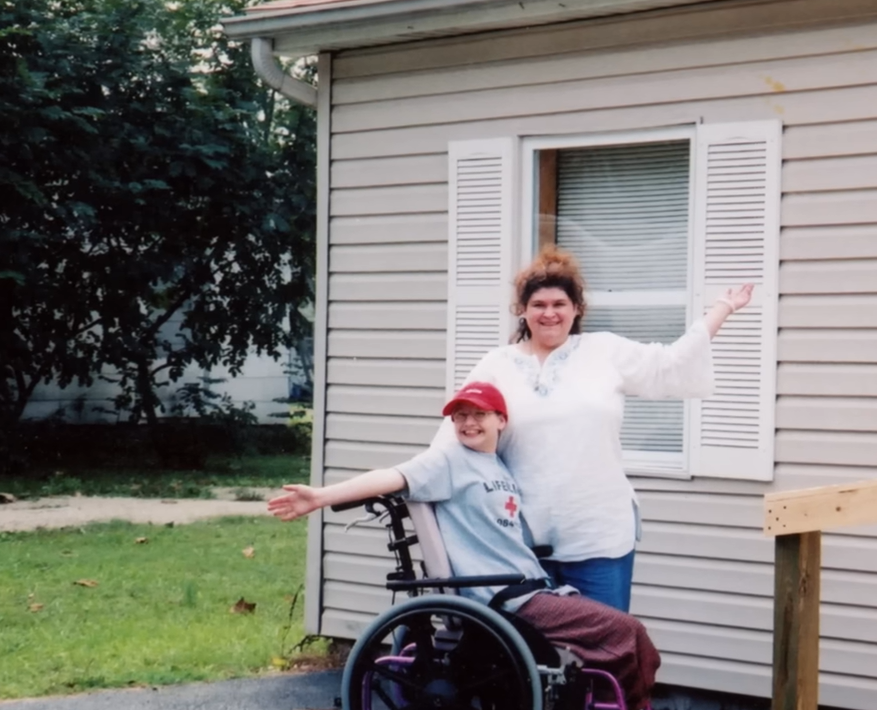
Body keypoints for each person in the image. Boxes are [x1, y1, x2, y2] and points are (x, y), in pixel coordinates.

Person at [268, 381, 660, 710]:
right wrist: (319, 496)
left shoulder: (498, 467)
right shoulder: (449, 460)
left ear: (501, 421)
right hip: (504, 596)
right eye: (461, 416)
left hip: (530, 588)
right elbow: (392, 475)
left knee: (617, 648)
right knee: (629, 634)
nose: (469, 423)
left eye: (480, 414)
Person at [427, 245, 752, 611]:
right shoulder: (496, 364)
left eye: (559, 304)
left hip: (599, 535)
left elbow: (671, 364)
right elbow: (452, 437)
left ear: (576, 309)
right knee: (536, 660)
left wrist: (722, 309)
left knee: (604, 653)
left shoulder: (605, 351)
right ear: (522, 311)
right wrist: (408, 485)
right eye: (538, 305)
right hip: (522, 542)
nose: (549, 314)